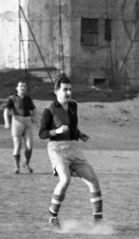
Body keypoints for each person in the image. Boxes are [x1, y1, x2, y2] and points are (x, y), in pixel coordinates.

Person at [37, 75, 103, 228]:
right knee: (65, 179)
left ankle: (98, 222)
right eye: (64, 90)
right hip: (57, 149)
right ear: (56, 91)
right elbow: (42, 134)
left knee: (93, 180)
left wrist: (79, 134)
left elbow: (72, 127)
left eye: (70, 89)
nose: (68, 93)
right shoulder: (49, 110)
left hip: (74, 148)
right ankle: (52, 215)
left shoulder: (73, 106)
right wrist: (57, 131)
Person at [4, 80, 36, 173]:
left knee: (29, 147)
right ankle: (17, 167)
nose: (23, 88)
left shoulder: (28, 99)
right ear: (17, 88)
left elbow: (34, 110)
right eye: (21, 86)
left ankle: (26, 163)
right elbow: (6, 110)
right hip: (17, 122)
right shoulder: (12, 98)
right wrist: (7, 122)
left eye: (24, 86)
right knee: (17, 146)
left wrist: (36, 120)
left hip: (27, 123)